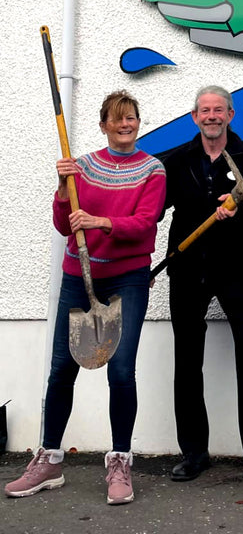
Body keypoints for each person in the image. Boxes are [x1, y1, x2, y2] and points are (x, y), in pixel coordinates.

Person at [5, 90, 166, 505]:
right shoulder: (83, 167)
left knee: (121, 371)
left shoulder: (153, 170)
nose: (125, 125)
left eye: (131, 118)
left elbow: (145, 225)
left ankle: (120, 462)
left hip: (127, 279)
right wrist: (63, 188)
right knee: (61, 370)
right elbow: (64, 226)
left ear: (137, 122)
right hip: (80, 277)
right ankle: (50, 460)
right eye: (117, 120)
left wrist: (100, 221)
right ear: (104, 126)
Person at [163, 85, 243, 488]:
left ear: (230, 115)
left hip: (236, 266)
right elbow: (150, 207)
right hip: (187, 265)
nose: (211, 116)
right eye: (204, 110)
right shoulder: (178, 161)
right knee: (187, 357)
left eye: (219, 110)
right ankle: (193, 451)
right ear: (194, 117)